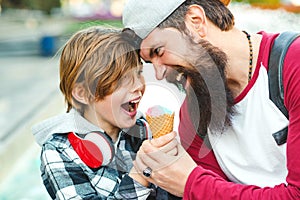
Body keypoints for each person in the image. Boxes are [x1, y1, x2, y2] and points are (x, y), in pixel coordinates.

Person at [122, 0, 300, 199]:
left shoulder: (293, 64)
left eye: (159, 51)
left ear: (196, 21)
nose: (159, 73)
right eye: (150, 62)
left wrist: (190, 183)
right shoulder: (195, 109)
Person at [32, 26, 180, 199]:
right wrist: (142, 171)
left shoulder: (143, 130)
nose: (138, 85)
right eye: (122, 79)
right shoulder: (59, 151)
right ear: (83, 93)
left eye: (138, 73)